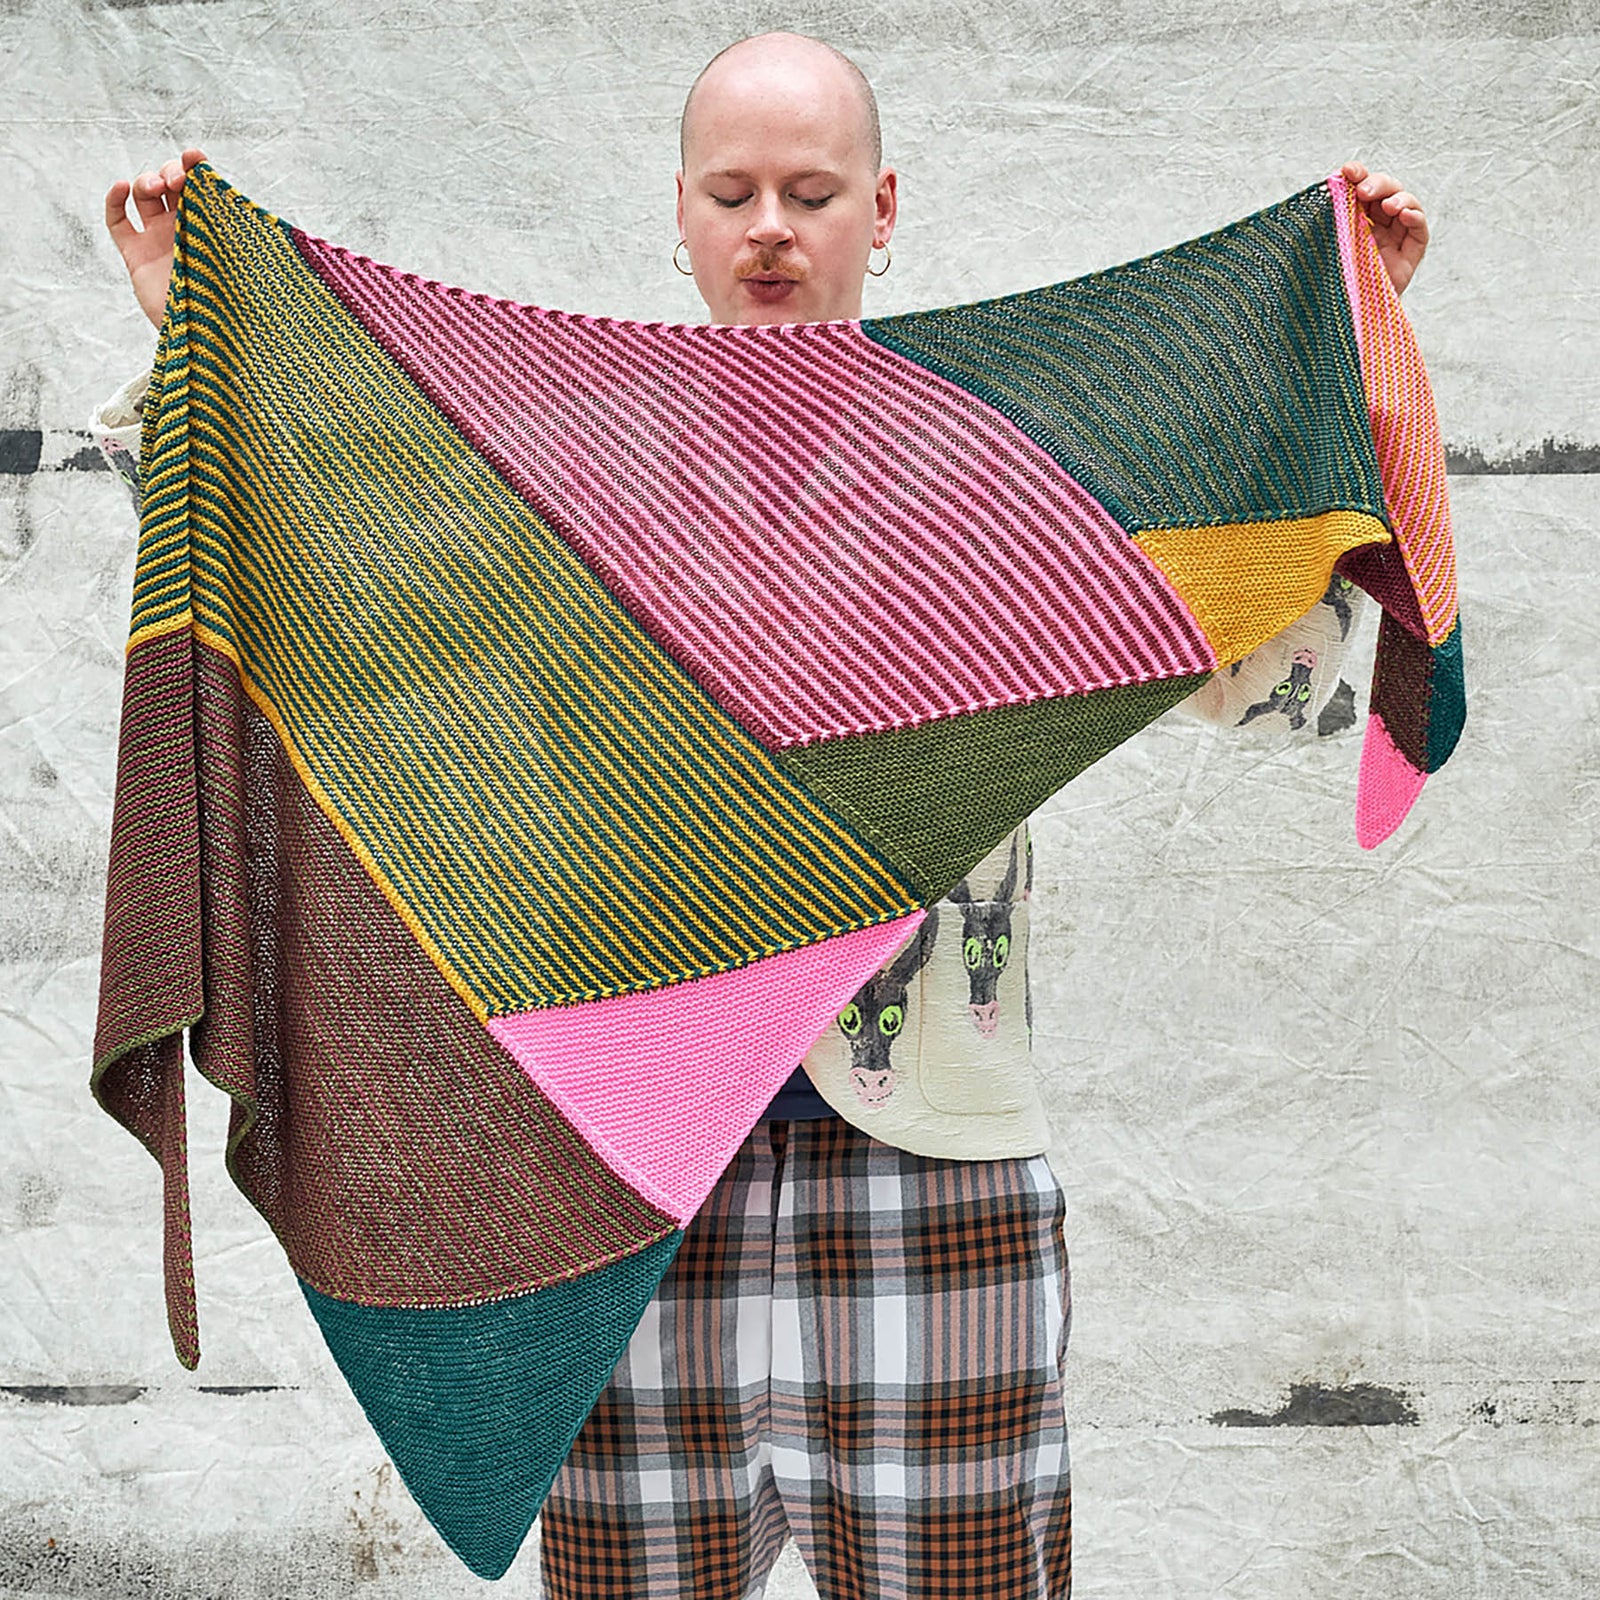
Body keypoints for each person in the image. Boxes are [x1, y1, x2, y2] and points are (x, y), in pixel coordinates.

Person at [98, 32, 1430, 1600]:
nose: (771, 229)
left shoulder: (1003, 477)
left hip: (933, 1180)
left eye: (811, 191)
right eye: (732, 195)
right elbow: (327, 591)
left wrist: (1355, 360)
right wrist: (188, 337)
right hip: (622, 1183)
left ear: (885, 207)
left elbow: (1281, 687)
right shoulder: (572, 479)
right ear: (680, 213)